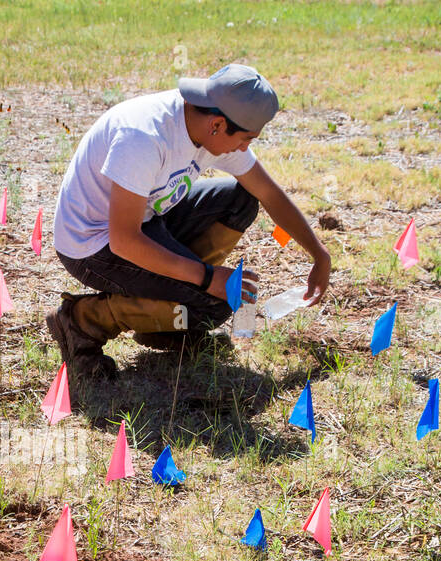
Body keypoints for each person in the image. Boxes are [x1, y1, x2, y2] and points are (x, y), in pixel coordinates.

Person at [47, 63, 331, 381]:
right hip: (91, 245)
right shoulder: (144, 137)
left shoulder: (208, 122)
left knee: (241, 198)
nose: (244, 148)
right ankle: (82, 321)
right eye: (246, 139)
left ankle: (171, 322)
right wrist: (208, 278)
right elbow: (124, 240)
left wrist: (319, 254)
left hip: (146, 220)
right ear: (217, 125)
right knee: (215, 304)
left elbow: (267, 192)